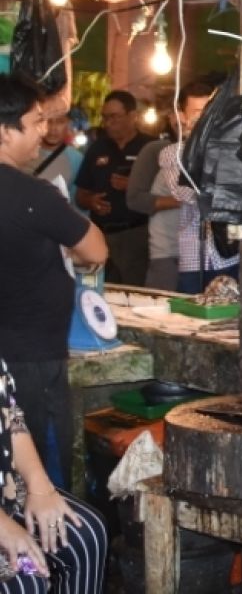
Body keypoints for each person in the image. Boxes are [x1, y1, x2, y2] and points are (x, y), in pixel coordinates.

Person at [0, 75, 107, 489]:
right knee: (42, 481)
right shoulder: (35, 195)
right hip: (31, 363)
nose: (43, 132)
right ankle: (50, 553)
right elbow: (96, 251)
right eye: (36, 121)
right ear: (6, 131)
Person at [0, 358, 107, 593]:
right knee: (24, 581)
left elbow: (10, 415)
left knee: (85, 535)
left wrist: (40, 487)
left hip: (5, 489)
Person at [159, 82, 236, 294]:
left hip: (232, 253)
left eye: (210, 112)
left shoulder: (229, 148)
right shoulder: (173, 153)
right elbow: (187, 192)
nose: (204, 119)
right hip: (196, 258)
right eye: (197, 113)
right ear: (183, 116)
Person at [74, 91, 151, 285]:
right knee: (98, 290)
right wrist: (90, 201)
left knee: (134, 291)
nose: (108, 123)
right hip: (100, 235)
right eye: (105, 117)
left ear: (133, 116)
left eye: (114, 117)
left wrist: (133, 187)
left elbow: (167, 194)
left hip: (137, 236)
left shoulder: (150, 148)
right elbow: (80, 195)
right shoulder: (97, 148)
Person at [126, 114, 181, 292]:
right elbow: (135, 199)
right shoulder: (157, 150)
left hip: (202, 253)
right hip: (167, 252)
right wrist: (186, 200)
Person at [28, 110, 82, 203]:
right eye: (48, 121)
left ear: (68, 124)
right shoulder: (25, 151)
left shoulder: (76, 159)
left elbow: (75, 202)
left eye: (60, 122)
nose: (53, 128)